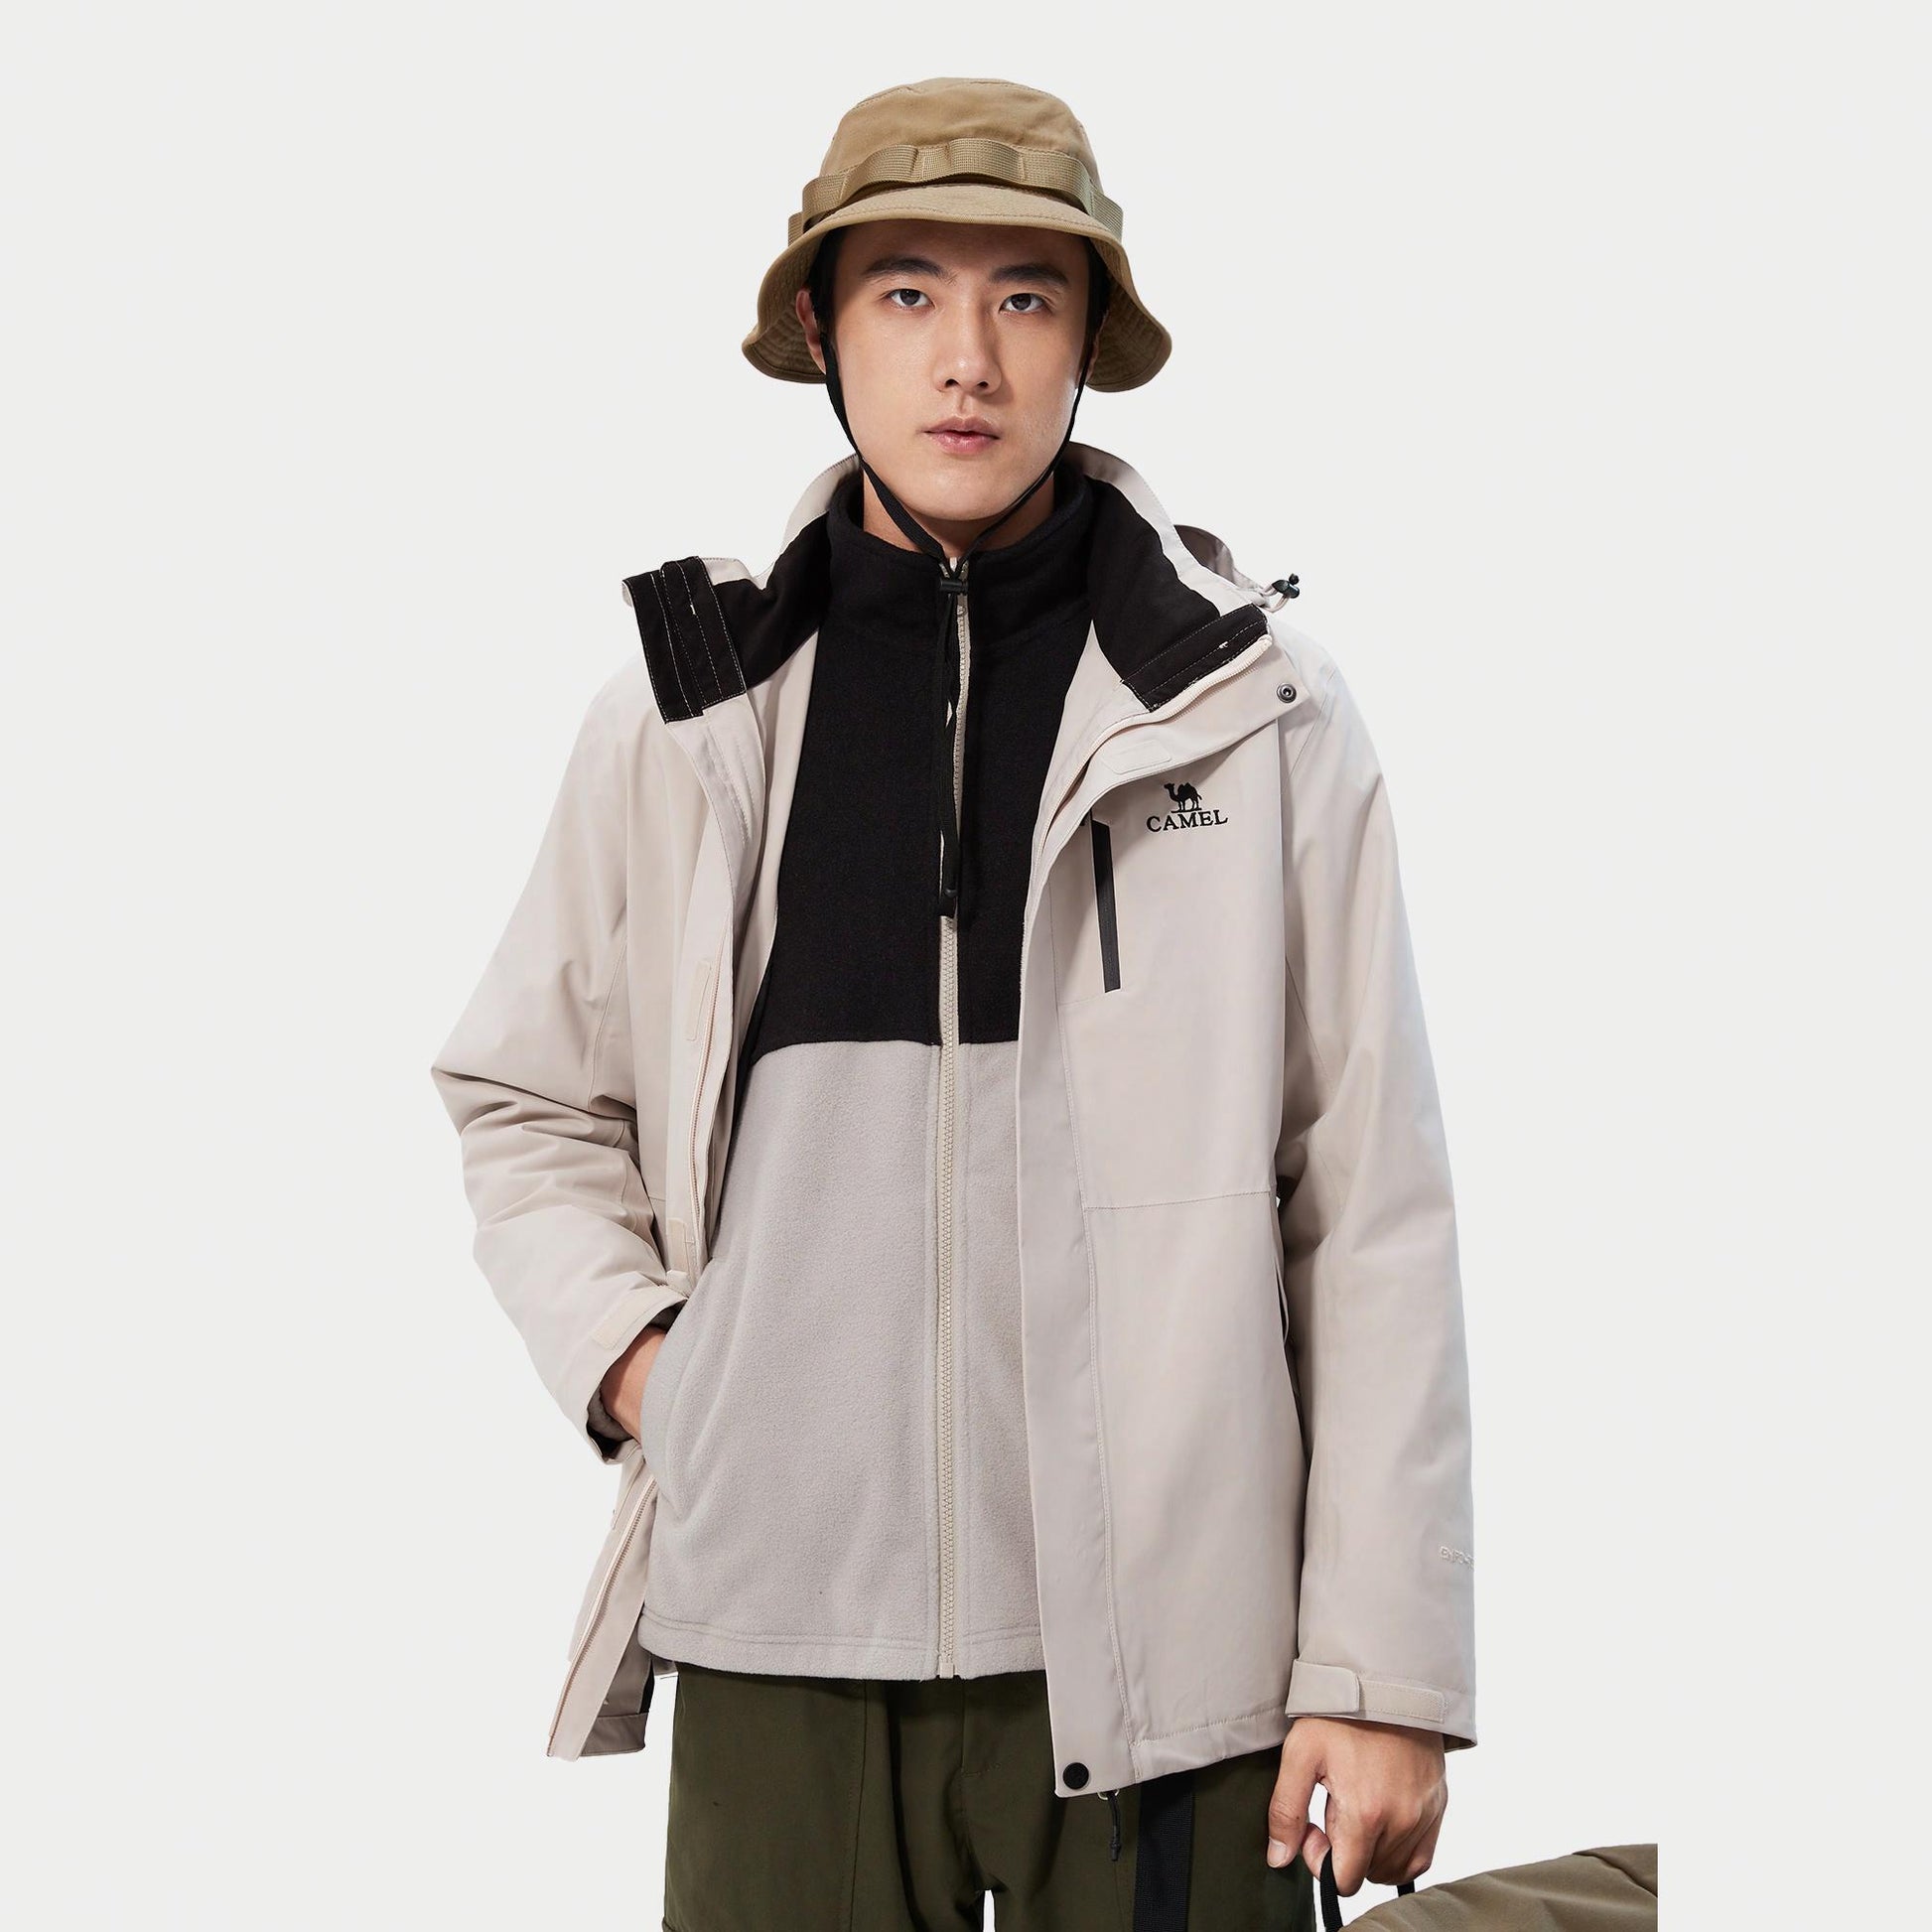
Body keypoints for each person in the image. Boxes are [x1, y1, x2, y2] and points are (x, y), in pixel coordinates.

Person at [430, 75, 1476, 1932]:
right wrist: (654, 1366)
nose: (967, 357)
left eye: (1026, 296)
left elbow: (1368, 1201)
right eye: (906, 291)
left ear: (1088, 339)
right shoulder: (688, 715)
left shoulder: (1257, 712)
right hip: (780, 1632)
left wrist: (1381, 1669)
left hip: (1179, 1659)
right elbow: (525, 1096)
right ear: (820, 329)